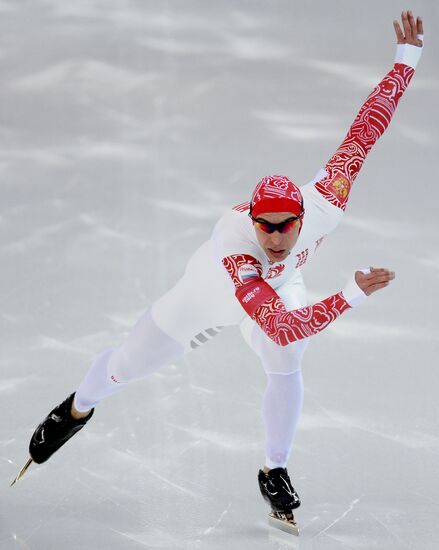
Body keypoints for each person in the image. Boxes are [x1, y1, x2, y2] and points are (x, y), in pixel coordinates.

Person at [19, 11, 423, 533]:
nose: (274, 238)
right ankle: (77, 407)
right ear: (252, 220)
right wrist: (350, 294)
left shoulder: (328, 197)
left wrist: (406, 58)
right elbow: (281, 321)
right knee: (124, 368)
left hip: (275, 296)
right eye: (264, 227)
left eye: (284, 227)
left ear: (304, 216)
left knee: (287, 358)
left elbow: (368, 125)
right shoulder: (239, 250)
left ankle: (273, 469)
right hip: (202, 301)